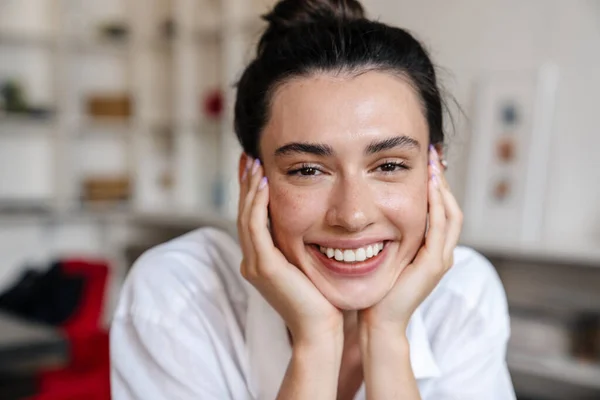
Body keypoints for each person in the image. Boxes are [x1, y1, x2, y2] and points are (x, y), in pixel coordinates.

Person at [110, 0, 516, 399]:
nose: (353, 215)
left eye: (389, 165)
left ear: (435, 170)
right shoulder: (177, 299)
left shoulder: (463, 298)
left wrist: (387, 339)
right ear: (252, 179)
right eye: (308, 170)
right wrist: (316, 341)